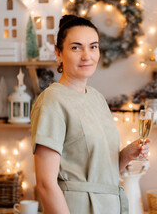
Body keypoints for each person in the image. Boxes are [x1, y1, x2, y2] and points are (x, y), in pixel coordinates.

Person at [31, 15, 150, 214]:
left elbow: (100, 175)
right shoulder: (52, 100)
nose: (87, 55)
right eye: (76, 47)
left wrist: (126, 155)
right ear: (59, 53)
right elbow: (45, 184)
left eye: (93, 46)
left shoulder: (97, 98)